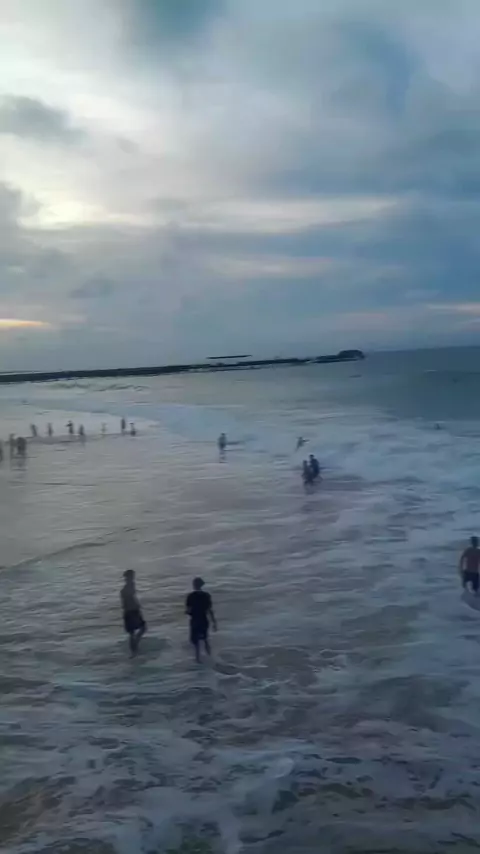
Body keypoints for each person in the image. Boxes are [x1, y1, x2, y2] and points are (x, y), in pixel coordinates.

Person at [185, 577, 217, 663]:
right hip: (204, 620)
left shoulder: (190, 596)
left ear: (194, 585)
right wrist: (214, 622)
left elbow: (188, 610)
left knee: (196, 642)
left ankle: (198, 660)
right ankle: (210, 656)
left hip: (195, 620)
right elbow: (209, 610)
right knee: (205, 639)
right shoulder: (206, 596)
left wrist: (187, 612)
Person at [120, 570, 147, 655]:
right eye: (132, 576)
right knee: (141, 629)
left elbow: (128, 600)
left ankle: (134, 649)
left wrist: (137, 605)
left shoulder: (129, 586)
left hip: (130, 611)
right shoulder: (128, 587)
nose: (133, 578)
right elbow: (128, 600)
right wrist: (136, 606)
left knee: (133, 632)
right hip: (131, 611)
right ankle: (135, 648)